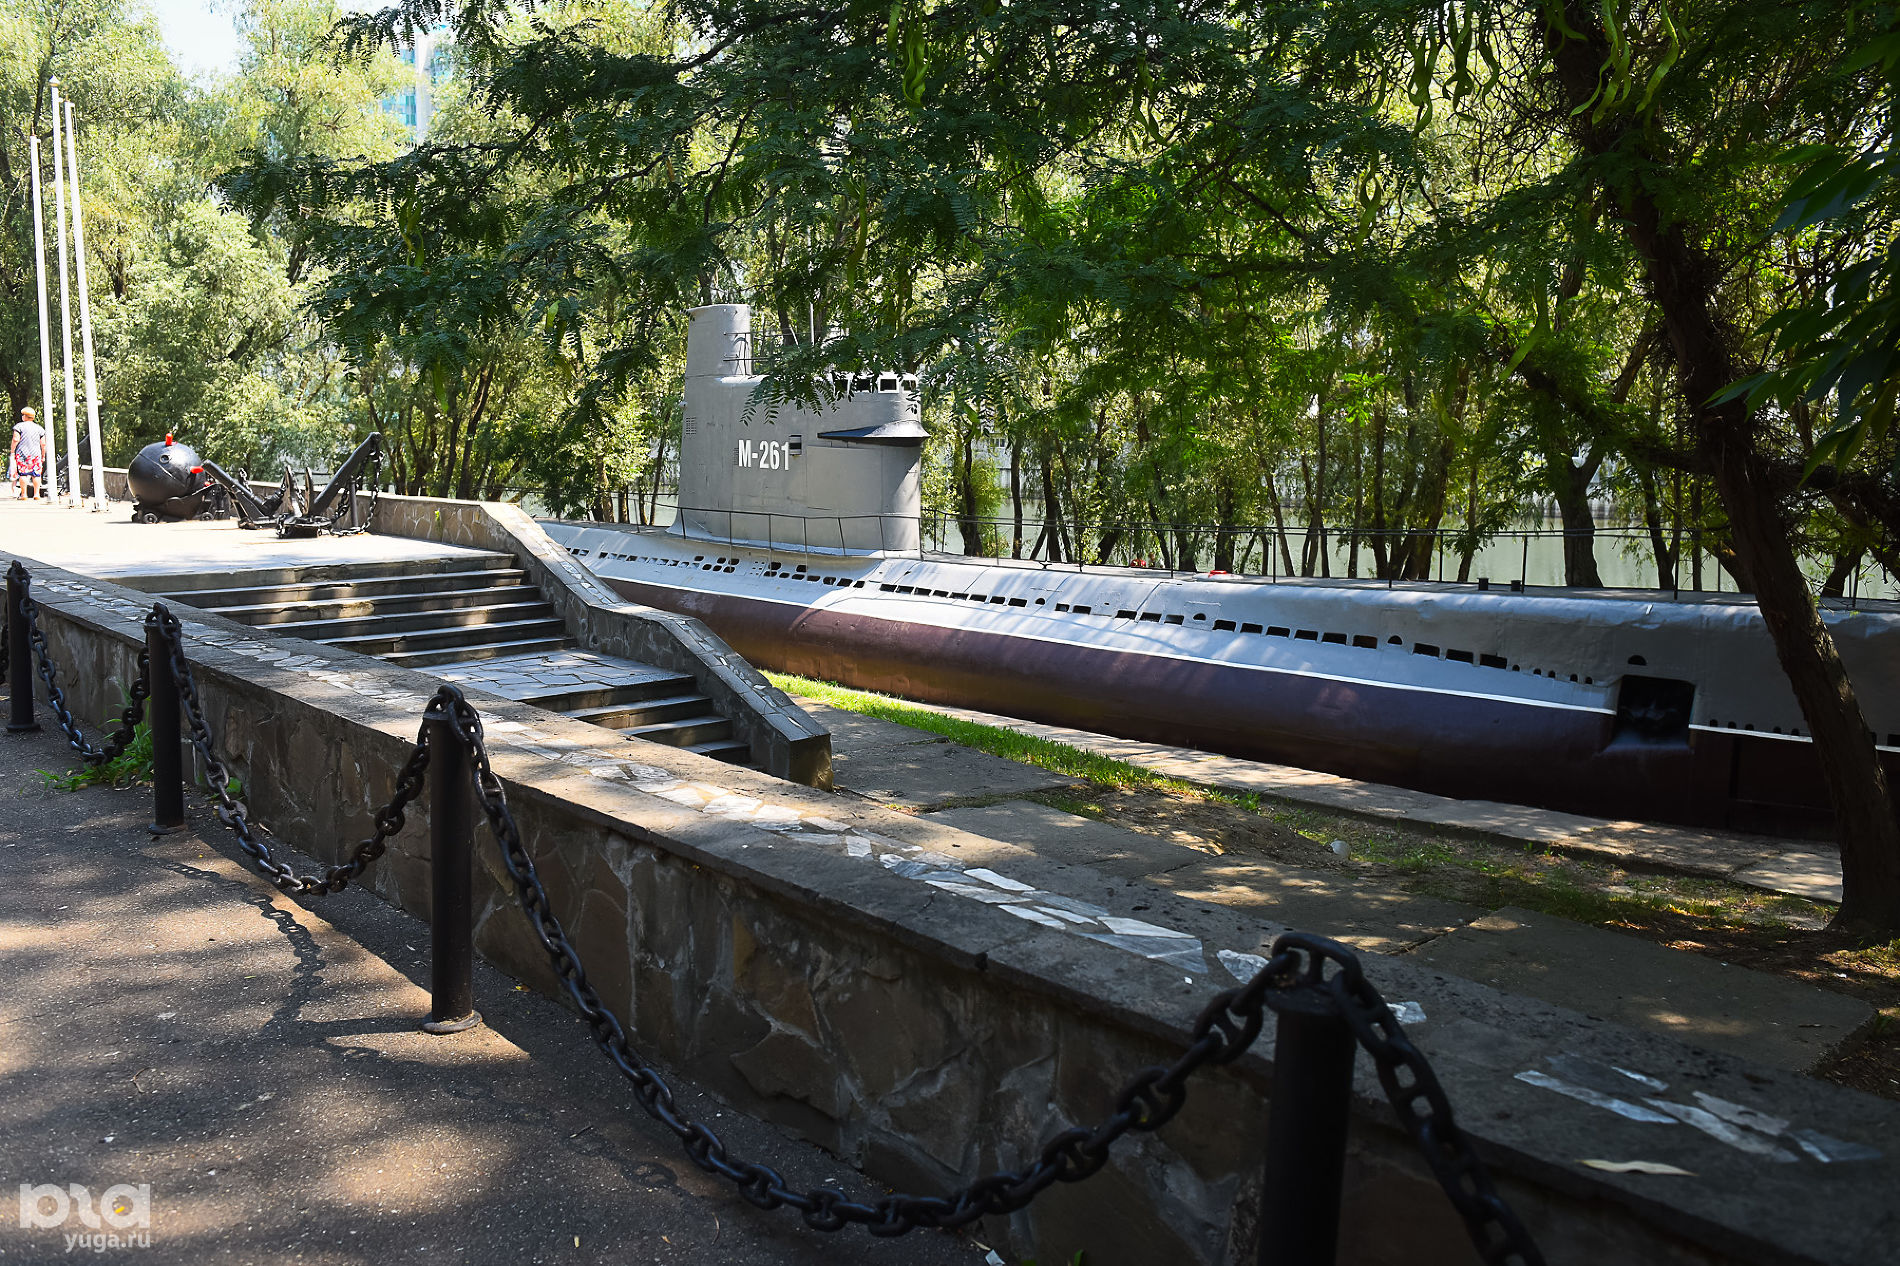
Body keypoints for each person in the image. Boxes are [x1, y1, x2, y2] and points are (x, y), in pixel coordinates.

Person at [12, 407, 48, 501]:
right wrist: (43, 455)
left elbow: (16, 439)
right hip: (35, 454)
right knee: (36, 474)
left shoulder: (19, 427)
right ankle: (37, 494)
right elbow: (43, 443)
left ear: (25, 416)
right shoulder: (39, 428)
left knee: (23, 473)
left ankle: (24, 495)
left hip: (22, 453)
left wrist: (12, 451)